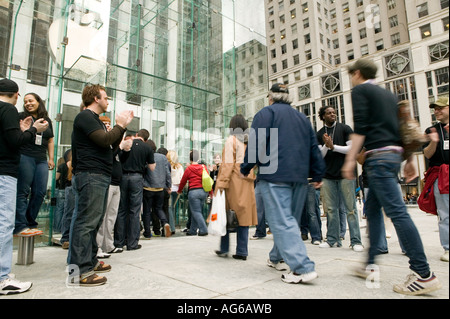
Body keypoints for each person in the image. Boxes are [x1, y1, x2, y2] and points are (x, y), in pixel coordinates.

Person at [342, 58, 441, 296]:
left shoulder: (360, 90)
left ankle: (423, 274)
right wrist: (408, 161)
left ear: (357, 73)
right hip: (393, 156)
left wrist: (349, 160)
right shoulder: (388, 95)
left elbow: (361, 128)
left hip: (378, 158)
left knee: (397, 213)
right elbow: (403, 128)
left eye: (351, 74)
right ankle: (369, 265)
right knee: (374, 211)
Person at [241, 83, 325, 283]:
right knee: (289, 221)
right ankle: (276, 257)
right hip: (300, 177)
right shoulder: (302, 118)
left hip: (274, 174)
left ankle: (302, 268)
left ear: (270, 97)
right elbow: (313, 146)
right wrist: (318, 174)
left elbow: (257, 143)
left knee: (281, 222)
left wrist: (246, 167)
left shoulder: (265, 113)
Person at [69, 84, 133, 286]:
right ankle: (80, 271)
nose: (108, 101)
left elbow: (108, 149)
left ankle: (90, 261)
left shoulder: (94, 120)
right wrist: (120, 125)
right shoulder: (85, 116)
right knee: (86, 223)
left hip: (98, 175)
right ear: (96, 99)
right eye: (105, 98)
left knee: (94, 222)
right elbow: (105, 140)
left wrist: (120, 131)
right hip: (90, 175)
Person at [0, 78, 48, 294]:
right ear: (16, 95)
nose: (27, 102)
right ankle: (2, 277)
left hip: (12, 167)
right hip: (6, 171)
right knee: (4, 223)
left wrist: (23, 132)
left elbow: (13, 137)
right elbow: (16, 141)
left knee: (37, 192)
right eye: (24, 98)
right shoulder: (9, 110)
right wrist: (31, 131)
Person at [317, 105, 363, 251]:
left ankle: (356, 241)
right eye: (329, 113)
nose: (332, 114)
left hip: (345, 174)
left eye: (334, 113)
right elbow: (320, 155)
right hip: (327, 176)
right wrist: (326, 145)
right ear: (323, 116)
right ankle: (332, 239)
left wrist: (333, 147)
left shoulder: (345, 129)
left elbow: (351, 149)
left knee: (351, 209)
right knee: (331, 209)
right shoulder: (319, 133)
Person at [214, 114, 257, 260]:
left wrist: (221, 183)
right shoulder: (249, 142)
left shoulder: (231, 140)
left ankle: (224, 248)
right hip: (248, 181)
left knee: (227, 214)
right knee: (243, 217)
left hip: (233, 183)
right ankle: (242, 251)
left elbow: (227, 164)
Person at [14, 93, 55, 236]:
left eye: (31, 100)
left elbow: (50, 140)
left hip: (41, 159)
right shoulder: (21, 116)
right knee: (23, 191)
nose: (28, 103)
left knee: (40, 192)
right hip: (25, 156)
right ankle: (20, 224)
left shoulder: (47, 120)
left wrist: (51, 158)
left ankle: (29, 221)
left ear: (38, 102)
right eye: (25, 101)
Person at [114, 129, 155, 251]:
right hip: (137, 178)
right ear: (146, 139)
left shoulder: (127, 143)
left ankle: (119, 243)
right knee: (134, 211)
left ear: (136, 135)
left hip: (123, 177)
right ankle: (132, 244)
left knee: (121, 210)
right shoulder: (147, 148)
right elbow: (152, 167)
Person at [422, 96, 449, 262]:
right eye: (435, 108)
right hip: (440, 174)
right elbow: (427, 154)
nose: (436, 111)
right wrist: (433, 142)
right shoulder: (432, 130)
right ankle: (448, 248)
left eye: (440, 107)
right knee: (444, 213)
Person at [96, 116, 126, 258]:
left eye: (109, 124)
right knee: (101, 216)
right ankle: (97, 247)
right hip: (107, 182)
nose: (108, 126)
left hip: (116, 183)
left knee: (111, 216)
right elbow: (109, 154)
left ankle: (109, 245)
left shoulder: (112, 142)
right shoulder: (103, 142)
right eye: (105, 124)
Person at [142, 140, 171, 238]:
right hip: (160, 188)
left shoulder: (146, 156)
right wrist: (168, 185)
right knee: (158, 208)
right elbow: (167, 173)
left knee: (146, 211)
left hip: (148, 187)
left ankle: (147, 233)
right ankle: (165, 223)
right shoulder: (163, 158)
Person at [177, 150, 209, 236]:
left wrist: (179, 190)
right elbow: (207, 179)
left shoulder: (189, 168)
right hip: (203, 192)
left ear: (190, 159)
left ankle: (203, 229)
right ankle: (193, 230)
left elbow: (183, 181)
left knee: (195, 211)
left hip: (194, 192)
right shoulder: (203, 167)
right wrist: (210, 192)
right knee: (198, 211)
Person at [59, 149, 74, 250]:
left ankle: (68, 238)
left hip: (73, 186)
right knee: (68, 213)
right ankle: (65, 238)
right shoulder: (69, 158)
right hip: (71, 186)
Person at [167, 150, 184, 233]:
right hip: (177, 189)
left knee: (169, 207)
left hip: (169, 188)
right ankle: (171, 226)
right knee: (172, 207)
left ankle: (172, 228)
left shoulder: (167, 165)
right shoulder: (180, 167)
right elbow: (182, 178)